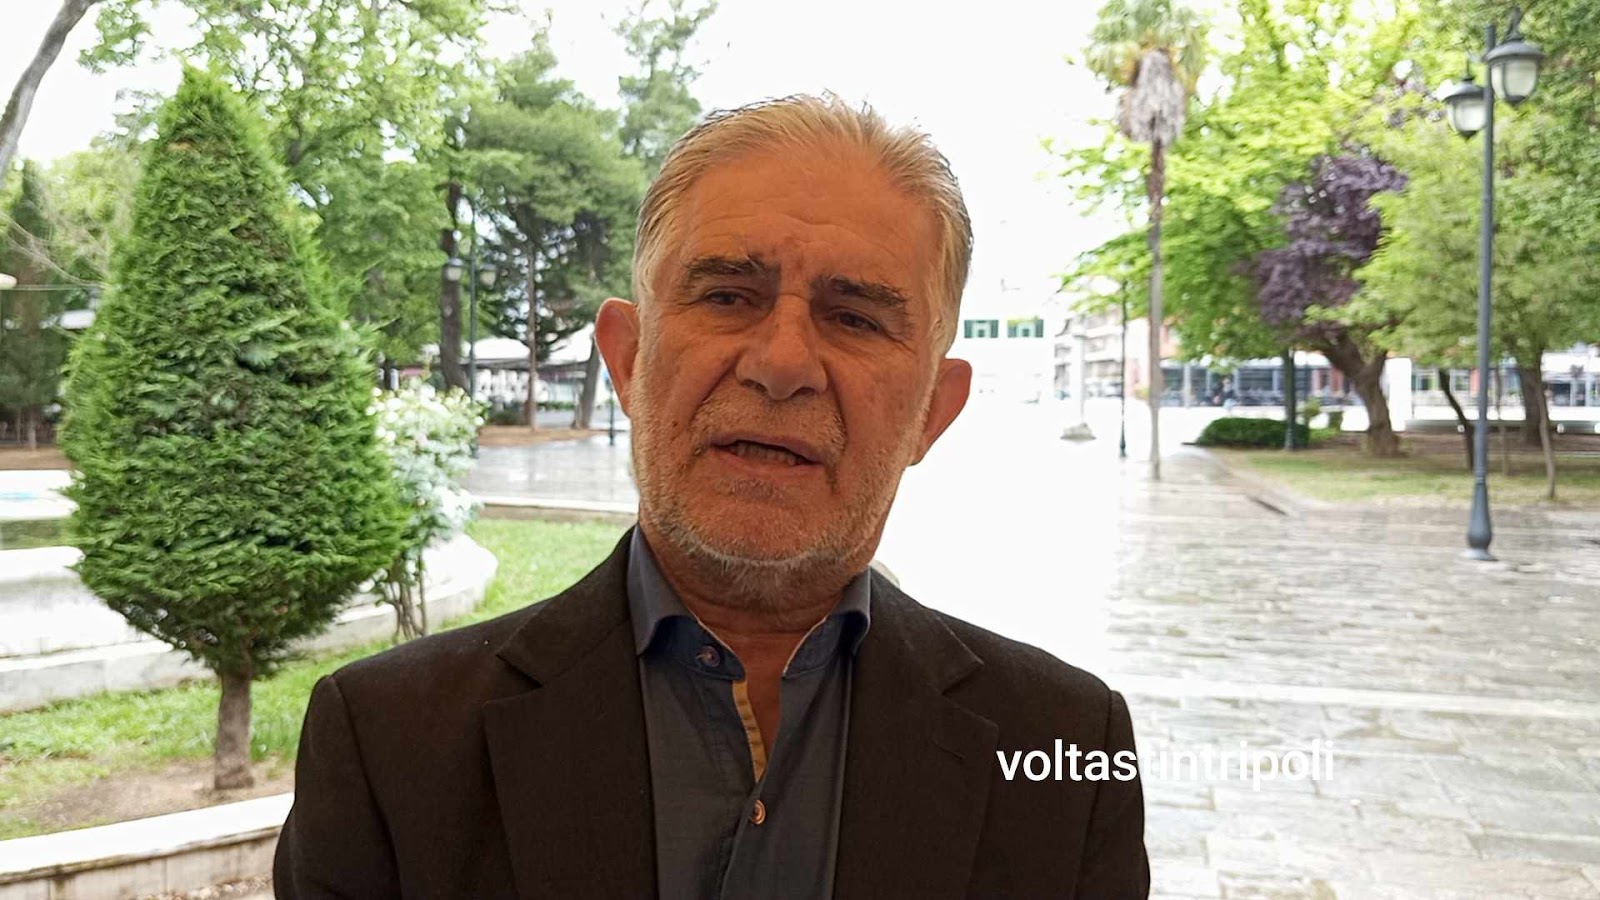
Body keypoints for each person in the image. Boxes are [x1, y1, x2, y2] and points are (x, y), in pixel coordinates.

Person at [274, 94, 1148, 899]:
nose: (782, 363)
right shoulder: (388, 742)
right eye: (728, 295)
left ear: (933, 411)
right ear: (627, 360)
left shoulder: (1067, 751)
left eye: (854, 317)